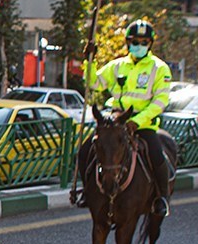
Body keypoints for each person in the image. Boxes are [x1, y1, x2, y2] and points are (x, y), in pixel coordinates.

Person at [74, 19, 173, 216]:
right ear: (128, 43)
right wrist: (89, 60)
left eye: (144, 42)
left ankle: (161, 198)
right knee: (85, 151)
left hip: (142, 123)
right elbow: (93, 83)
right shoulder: (117, 65)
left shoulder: (159, 68)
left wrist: (137, 121)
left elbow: (160, 102)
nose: (139, 46)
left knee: (155, 154)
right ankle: (87, 192)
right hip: (114, 121)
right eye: (135, 42)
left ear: (150, 44)